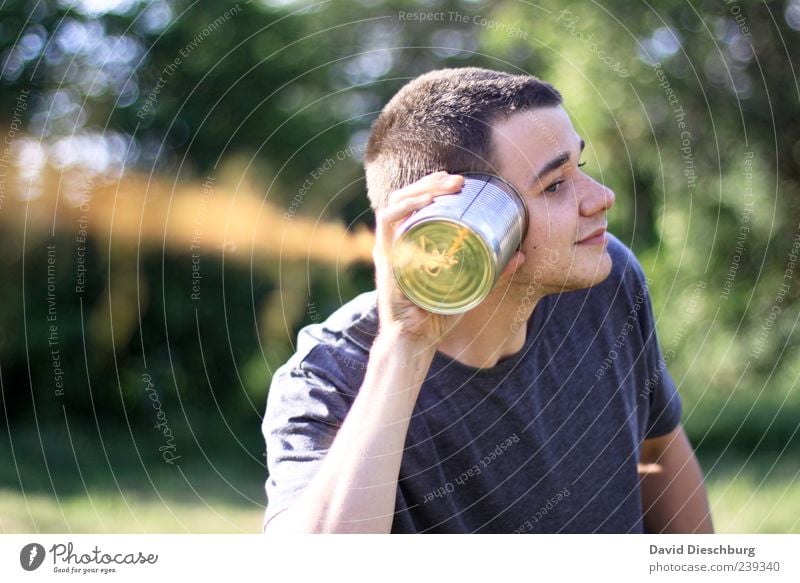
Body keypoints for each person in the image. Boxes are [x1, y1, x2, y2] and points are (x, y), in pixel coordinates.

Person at [261, 67, 714, 534]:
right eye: (554, 185)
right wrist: (405, 345)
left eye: (578, 167)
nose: (602, 198)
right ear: (459, 222)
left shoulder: (607, 277)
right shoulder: (327, 376)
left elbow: (656, 454)